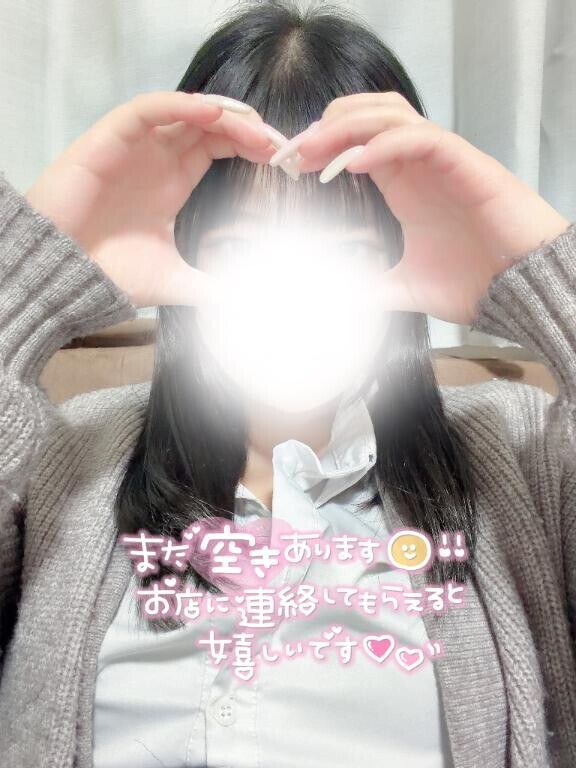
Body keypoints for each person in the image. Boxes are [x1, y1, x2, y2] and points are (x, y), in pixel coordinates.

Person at [0, 1, 574, 767]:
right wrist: (22, 291)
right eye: (242, 245)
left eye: (346, 248)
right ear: (183, 246)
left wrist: (541, 270)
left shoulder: (522, 452)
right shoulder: (68, 456)